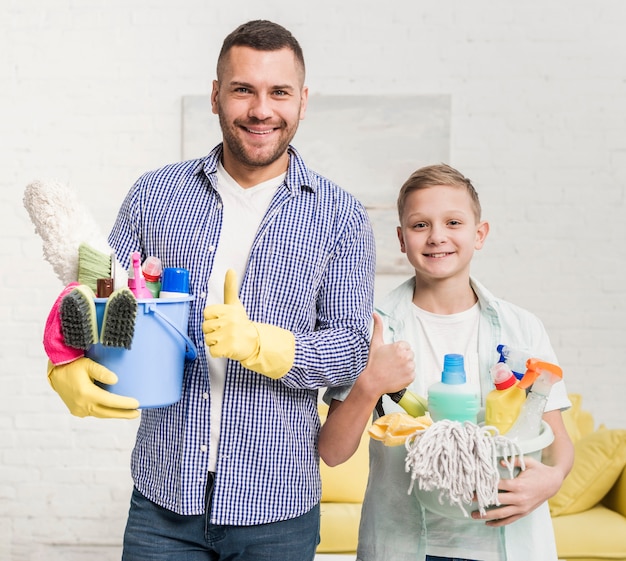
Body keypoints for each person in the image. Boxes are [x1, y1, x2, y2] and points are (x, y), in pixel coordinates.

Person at [45, 20, 376, 561]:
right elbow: (96, 294)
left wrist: (264, 346)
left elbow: (350, 349)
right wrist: (62, 362)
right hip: (161, 502)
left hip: (278, 511)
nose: (261, 109)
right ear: (217, 95)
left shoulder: (340, 216)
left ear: (303, 101)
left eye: (279, 92)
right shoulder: (155, 196)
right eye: (243, 89)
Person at [318, 163, 575, 561]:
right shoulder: (371, 329)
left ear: (479, 234)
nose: (437, 236)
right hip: (404, 543)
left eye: (453, 222)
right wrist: (370, 384)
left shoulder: (521, 327)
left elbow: (558, 441)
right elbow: (332, 452)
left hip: (505, 543)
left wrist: (553, 479)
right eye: (420, 226)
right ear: (401, 240)